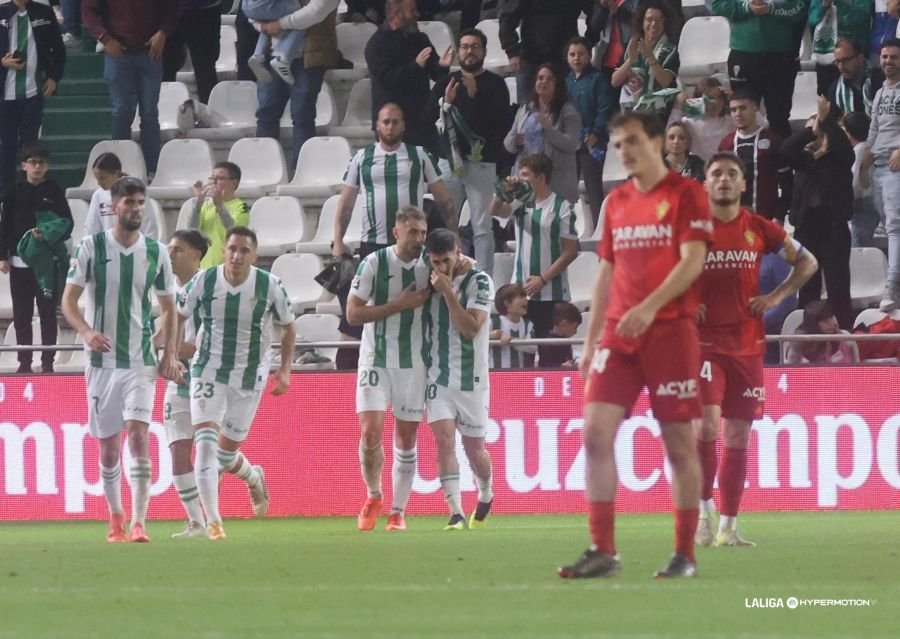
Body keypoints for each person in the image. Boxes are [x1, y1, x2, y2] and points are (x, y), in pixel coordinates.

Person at [558, 110, 713, 580]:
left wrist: (650, 306)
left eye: (631, 142)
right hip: (619, 339)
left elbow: (692, 262)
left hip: (669, 334)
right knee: (593, 433)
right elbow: (606, 271)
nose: (623, 152)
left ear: (656, 144)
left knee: (678, 445)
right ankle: (602, 548)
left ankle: (684, 553)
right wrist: (590, 340)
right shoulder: (618, 201)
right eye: (618, 144)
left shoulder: (687, 195)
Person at [695, 152, 817, 548]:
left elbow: (808, 263)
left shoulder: (760, 229)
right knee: (707, 426)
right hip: (704, 344)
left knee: (737, 436)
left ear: (744, 184)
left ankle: (729, 527)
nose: (725, 179)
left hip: (747, 345)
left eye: (733, 174)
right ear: (705, 184)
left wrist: (776, 295)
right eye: (717, 174)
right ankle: (702, 515)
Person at [61, 176, 181, 543]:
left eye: (141, 202)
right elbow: (68, 301)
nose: (135, 209)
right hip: (101, 364)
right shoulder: (91, 248)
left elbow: (169, 307)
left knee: (139, 436)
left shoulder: (156, 252)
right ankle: (116, 517)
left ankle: (140, 522)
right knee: (109, 447)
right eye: (129, 202)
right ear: (114, 206)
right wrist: (85, 332)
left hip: (141, 361)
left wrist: (168, 351)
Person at [177, 226, 296, 540]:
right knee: (204, 446)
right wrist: (172, 355)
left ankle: (254, 477)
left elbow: (288, 327)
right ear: (224, 250)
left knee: (225, 456)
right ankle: (214, 523)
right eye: (232, 249)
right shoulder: (204, 281)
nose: (237, 256)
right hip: (208, 372)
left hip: (249, 378)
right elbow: (176, 315)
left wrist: (284, 370)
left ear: (254, 255)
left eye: (244, 250)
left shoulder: (270, 286)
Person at [331, 103, 456, 368]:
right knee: (357, 306)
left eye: (395, 122)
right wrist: (338, 239)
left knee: (423, 302)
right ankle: (345, 372)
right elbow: (346, 202)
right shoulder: (361, 158)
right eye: (385, 122)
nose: (390, 126)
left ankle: (430, 362)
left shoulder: (419, 156)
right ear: (377, 125)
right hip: (372, 245)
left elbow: (444, 200)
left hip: (414, 245)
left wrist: (454, 238)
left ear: (403, 125)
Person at [346, 206, 431, 531]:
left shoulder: (430, 264)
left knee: (407, 438)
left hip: (413, 362)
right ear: (397, 233)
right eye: (413, 233)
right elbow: (353, 315)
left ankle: (398, 511)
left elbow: (461, 269)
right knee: (370, 432)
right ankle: (373, 494)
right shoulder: (374, 263)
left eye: (423, 232)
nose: (419, 239)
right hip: (376, 358)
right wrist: (398, 305)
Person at [424, 27, 513, 277]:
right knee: (446, 223)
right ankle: (447, 273)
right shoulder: (445, 82)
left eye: (475, 46)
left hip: (481, 164)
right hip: (449, 163)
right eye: (464, 46)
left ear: (484, 51)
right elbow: (427, 118)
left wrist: (474, 96)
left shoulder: (496, 84)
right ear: (458, 52)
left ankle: (484, 278)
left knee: (482, 226)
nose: (469, 51)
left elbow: (498, 126)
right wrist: (447, 103)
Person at [423, 228, 496, 530]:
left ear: (458, 253)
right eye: (435, 261)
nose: (441, 268)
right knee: (444, 442)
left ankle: (486, 492)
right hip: (438, 376)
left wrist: (449, 293)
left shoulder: (480, 281)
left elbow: (470, 329)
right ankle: (455, 511)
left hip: (472, 379)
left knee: (474, 450)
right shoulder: (427, 277)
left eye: (446, 260)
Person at [782, 96, 855, 330]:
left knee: (838, 288)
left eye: (817, 130)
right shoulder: (805, 160)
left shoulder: (839, 159)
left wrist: (826, 122)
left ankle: (844, 337)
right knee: (807, 289)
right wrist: (810, 131)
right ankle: (809, 339)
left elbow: (845, 148)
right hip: (806, 229)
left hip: (834, 230)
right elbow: (785, 151)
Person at [82, 0, 179, 174]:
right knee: (122, 110)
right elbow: (88, 12)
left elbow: (174, 8)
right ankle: (118, 169)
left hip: (150, 51)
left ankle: (151, 170)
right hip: (118, 52)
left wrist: (163, 32)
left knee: (149, 113)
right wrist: (105, 39)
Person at [0, 141, 72, 374]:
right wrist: (2, 256)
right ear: (24, 166)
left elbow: (67, 224)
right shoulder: (13, 192)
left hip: (46, 265)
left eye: (41, 162)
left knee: (47, 313)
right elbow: (5, 226)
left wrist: (48, 233)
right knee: (21, 314)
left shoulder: (54, 190)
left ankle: (48, 361)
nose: (37, 167)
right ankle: (24, 363)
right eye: (32, 162)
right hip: (19, 263)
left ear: (47, 165)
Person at [489, 153, 579, 338]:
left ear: (541, 177)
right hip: (522, 291)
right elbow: (495, 211)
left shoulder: (561, 206)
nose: (521, 179)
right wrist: (503, 190)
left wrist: (543, 279)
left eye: (525, 175)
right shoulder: (520, 203)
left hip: (551, 292)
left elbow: (570, 251)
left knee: (548, 350)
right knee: (526, 348)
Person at [253, 0, 339, 169]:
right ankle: (265, 169)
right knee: (266, 114)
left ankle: (301, 171)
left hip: (310, 56)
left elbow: (316, 11)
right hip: (270, 53)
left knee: (302, 116)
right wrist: (263, 26)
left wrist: (279, 24)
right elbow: (255, 9)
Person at [164, 229, 209, 539]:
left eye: (177, 249)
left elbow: (202, 345)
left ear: (196, 255)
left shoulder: (210, 288)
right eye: (170, 248)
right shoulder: (167, 290)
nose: (170, 254)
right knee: (179, 449)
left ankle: (251, 475)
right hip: (179, 379)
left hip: (210, 380)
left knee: (217, 455)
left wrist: (168, 350)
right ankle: (197, 522)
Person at [711, 0, 807, 141]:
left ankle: (781, 161)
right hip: (743, 53)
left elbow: (801, 8)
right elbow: (718, 5)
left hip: (782, 55)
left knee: (779, 117)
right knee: (742, 114)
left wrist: (771, 8)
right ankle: (745, 160)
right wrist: (747, 7)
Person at [365, 0, 452, 149]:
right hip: (392, 123)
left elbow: (435, 74)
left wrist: (442, 66)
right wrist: (416, 66)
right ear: (397, 14)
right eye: (412, 11)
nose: (417, 15)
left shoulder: (420, 39)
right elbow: (388, 79)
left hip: (421, 118)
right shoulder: (376, 44)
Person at [0, 0, 65, 193]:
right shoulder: (2, 12)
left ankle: (29, 190)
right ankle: (6, 194)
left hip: (33, 91)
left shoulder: (44, 12)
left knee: (29, 145)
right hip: (5, 94)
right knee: (7, 145)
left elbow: (58, 48)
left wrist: (54, 77)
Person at [504, 64, 583, 206]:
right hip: (526, 181)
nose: (543, 82)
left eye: (549, 79)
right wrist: (515, 140)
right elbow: (508, 144)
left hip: (556, 181)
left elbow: (572, 144)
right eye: (540, 78)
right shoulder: (525, 108)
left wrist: (549, 129)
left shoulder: (568, 110)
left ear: (557, 84)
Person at [860, 38, 900, 312]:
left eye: (894, 57)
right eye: (884, 57)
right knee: (888, 224)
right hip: (878, 167)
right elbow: (873, 129)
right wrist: (864, 165)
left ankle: (891, 285)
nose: (888, 61)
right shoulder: (879, 93)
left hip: (896, 167)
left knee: (895, 226)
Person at [498, 0, 594, 105]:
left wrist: (588, 43)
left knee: (569, 109)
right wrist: (512, 51)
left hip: (566, 60)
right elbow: (507, 18)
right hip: (530, 57)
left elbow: (593, 11)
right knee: (527, 112)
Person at [718, 90, 791, 222]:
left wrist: (779, 216)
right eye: (733, 110)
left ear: (755, 108)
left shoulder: (773, 141)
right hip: (733, 222)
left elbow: (787, 184)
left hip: (766, 220)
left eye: (743, 108)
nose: (738, 114)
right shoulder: (726, 144)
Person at [565, 35, 612, 230]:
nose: (577, 58)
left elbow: (605, 108)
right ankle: (567, 231)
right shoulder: (566, 81)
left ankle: (601, 231)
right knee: (567, 190)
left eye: (581, 54)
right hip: (570, 143)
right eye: (572, 54)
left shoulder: (598, 79)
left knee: (594, 190)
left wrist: (596, 132)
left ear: (589, 55)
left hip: (592, 141)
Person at [611, 0, 680, 120]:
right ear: (641, 22)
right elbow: (614, 81)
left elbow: (666, 82)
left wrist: (651, 58)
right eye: (649, 19)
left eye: (659, 20)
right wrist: (630, 60)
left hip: (657, 115)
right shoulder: (631, 46)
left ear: (665, 23)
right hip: (629, 113)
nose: (654, 24)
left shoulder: (671, 50)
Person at [188, 161, 251, 269]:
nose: (214, 182)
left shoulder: (241, 207)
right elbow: (191, 230)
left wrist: (219, 206)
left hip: (226, 268)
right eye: (212, 178)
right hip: (203, 267)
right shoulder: (206, 205)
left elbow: (235, 232)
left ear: (234, 183)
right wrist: (198, 202)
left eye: (220, 179)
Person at [84, 153, 159, 239]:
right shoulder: (98, 195)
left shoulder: (136, 190)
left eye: (103, 178)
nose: (99, 183)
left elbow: (148, 224)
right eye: (97, 179)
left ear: (116, 173)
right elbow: (91, 227)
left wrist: (148, 249)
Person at [668, 77, 742, 163]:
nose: (716, 102)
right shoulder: (690, 122)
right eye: (710, 98)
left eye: (719, 97)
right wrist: (677, 108)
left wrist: (737, 100)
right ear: (699, 99)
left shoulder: (731, 120)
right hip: (699, 171)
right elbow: (669, 134)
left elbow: (759, 125)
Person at [809, 0, 873, 96]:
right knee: (826, 100)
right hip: (826, 55)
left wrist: (839, 2)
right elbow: (812, 19)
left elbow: (860, 17)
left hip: (852, 56)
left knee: (855, 98)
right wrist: (824, 5)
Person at [162, 0, 220, 105]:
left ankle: (209, 115)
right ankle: (166, 113)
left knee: (205, 69)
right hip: (168, 11)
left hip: (206, 10)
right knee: (166, 70)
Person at [244, 0, 307, 86]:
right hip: (264, 5)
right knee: (299, 16)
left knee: (269, 21)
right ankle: (283, 58)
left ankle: (257, 55)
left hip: (247, 6)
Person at [843, 111, 880, 247]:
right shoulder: (871, 147)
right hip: (871, 200)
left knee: (859, 243)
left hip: (863, 202)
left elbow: (854, 182)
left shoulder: (859, 150)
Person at [785, 299, 861, 364]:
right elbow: (791, 370)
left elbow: (857, 369)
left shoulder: (846, 338)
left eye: (831, 318)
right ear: (813, 324)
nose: (831, 324)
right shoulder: (798, 342)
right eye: (825, 321)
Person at [826, 38, 884, 118]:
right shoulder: (835, 89)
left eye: (845, 60)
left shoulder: (881, 80)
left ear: (860, 58)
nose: (841, 67)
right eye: (837, 62)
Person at [489, 283, 535, 369]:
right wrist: (490, 336)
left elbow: (533, 348)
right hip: (495, 374)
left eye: (525, 296)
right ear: (507, 303)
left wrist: (512, 340)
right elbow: (475, 342)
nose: (526, 300)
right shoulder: (493, 322)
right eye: (521, 297)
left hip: (520, 376)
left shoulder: (528, 324)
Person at [537, 300, 581, 368]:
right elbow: (544, 366)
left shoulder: (566, 342)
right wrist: (561, 366)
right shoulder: (547, 343)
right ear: (564, 324)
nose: (575, 332)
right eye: (574, 328)